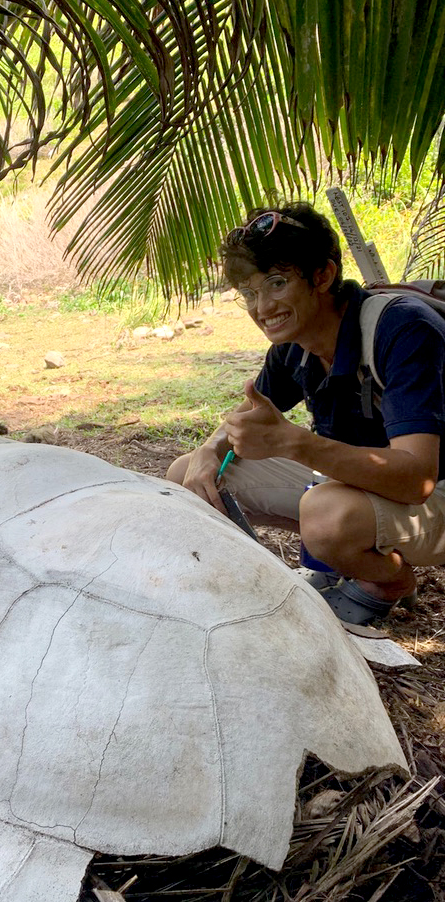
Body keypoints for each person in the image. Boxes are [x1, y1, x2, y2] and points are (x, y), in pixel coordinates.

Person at [166, 202, 445, 625]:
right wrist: (210, 448)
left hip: (432, 491)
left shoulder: (403, 331)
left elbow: (416, 479)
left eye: (277, 283)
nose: (262, 307)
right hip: (371, 487)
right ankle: (333, 567)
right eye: (250, 292)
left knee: (326, 515)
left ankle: (391, 580)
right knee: (190, 475)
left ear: (323, 276)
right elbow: (249, 414)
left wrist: (295, 443)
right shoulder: (294, 346)